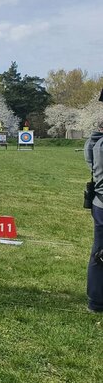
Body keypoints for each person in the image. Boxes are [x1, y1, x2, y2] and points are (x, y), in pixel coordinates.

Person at [84, 120, 103, 313]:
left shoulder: (94, 143)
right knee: (100, 254)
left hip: (99, 202)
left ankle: (96, 301)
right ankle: (97, 301)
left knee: (99, 253)